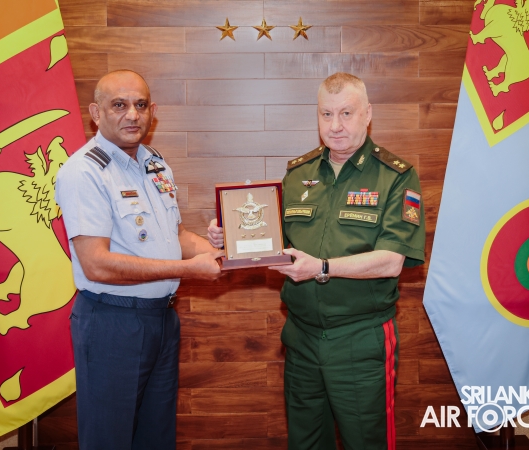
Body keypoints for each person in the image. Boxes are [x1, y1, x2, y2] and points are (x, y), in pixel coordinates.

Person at [207, 72, 425, 450]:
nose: (335, 125)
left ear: (368, 114)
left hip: (360, 339)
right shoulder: (298, 174)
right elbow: (274, 242)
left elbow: (392, 261)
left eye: (346, 113)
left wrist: (323, 268)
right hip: (301, 338)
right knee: (305, 443)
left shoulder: (396, 177)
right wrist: (231, 238)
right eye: (326, 114)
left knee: (366, 443)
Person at [56, 70, 223, 450]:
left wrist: (220, 253)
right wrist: (188, 269)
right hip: (112, 323)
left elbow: (175, 237)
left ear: (153, 112)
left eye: (141, 105)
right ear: (96, 113)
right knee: (109, 439)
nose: (132, 114)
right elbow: (97, 264)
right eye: (119, 105)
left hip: (161, 320)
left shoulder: (155, 163)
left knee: (156, 437)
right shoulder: (84, 172)